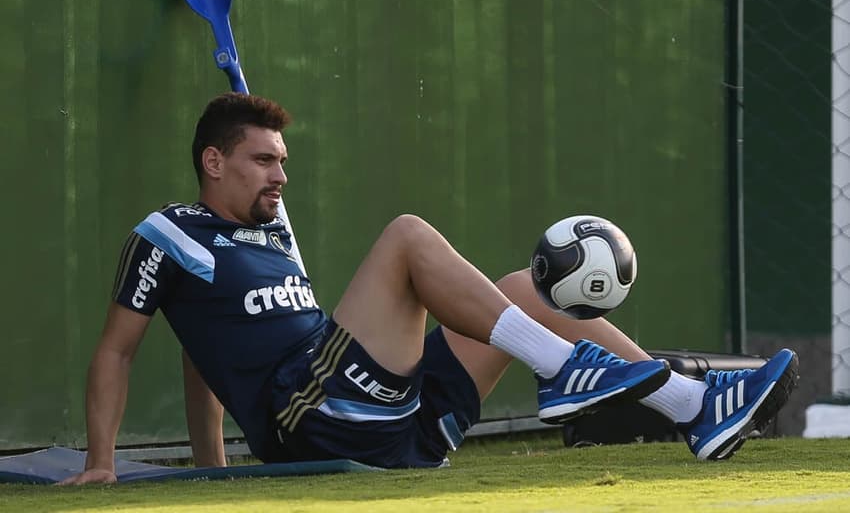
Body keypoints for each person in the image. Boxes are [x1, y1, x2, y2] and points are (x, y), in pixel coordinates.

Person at [60, 93, 798, 484]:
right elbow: (118, 352)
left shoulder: (270, 234)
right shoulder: (167, 233)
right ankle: (569, 371)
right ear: (213, 162)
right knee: (408, 235)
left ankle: (690, 405)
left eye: (283, 161)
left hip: (388, 420)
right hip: (313, 413)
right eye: (262, 161)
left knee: (525, 288)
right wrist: (102, 461)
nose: (280, 175)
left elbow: (204, 358)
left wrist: (214, 471)